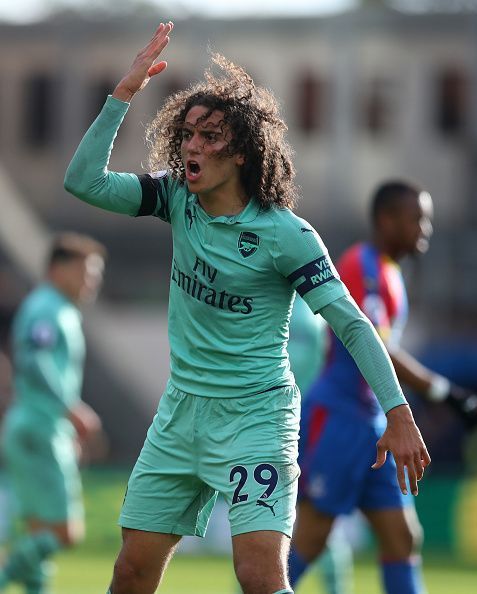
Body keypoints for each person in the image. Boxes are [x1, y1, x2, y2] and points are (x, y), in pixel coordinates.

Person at [63, 23, 430, 594]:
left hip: (256, 420)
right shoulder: (175, 198)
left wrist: (400, 413)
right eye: (186, 134)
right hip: (180, 414)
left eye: (209, 137)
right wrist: (123, 94)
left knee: (260, 575)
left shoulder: (286, 235)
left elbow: (353, 325)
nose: (191, 146)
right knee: (131, 573)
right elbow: (82, 181)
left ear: (240, 150)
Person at [288, 180, 477, 594]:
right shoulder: (361, 265)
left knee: (402, 536)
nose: (424, 229)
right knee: (312, 536)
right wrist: (442, 391)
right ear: (386, 219)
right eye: (417, 219)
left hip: (377, 425)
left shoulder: (391, 271)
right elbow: (374, 346)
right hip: (339, 418)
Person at [0, 232, 106, 594]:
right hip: (38, 428)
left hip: (35, 426)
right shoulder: (48, 308)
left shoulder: (54, 308)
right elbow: (34, 359)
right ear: (59, 269)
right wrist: (70, 409)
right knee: (65, 532)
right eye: (86, 272)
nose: (92, 281)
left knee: (38, 535)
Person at [288, 296, 354, 594]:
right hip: (308, 427)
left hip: (290, 428)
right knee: (320, 524)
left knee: (311, 523)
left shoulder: (298, 316)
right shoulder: (318, 316)